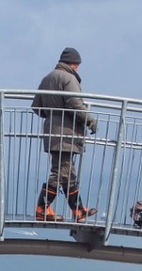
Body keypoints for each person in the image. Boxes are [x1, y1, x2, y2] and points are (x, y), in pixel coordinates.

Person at [31, 47, 98, 222]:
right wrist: (89, 120)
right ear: (75, 64)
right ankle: (41, 209)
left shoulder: (48, 78)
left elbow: (36, 107)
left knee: (68, 172)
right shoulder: (69, 78)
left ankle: (78, 211)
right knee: (61, 172)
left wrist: (52, 117)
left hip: (52, 133)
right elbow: (75, 104)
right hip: (67, 134)